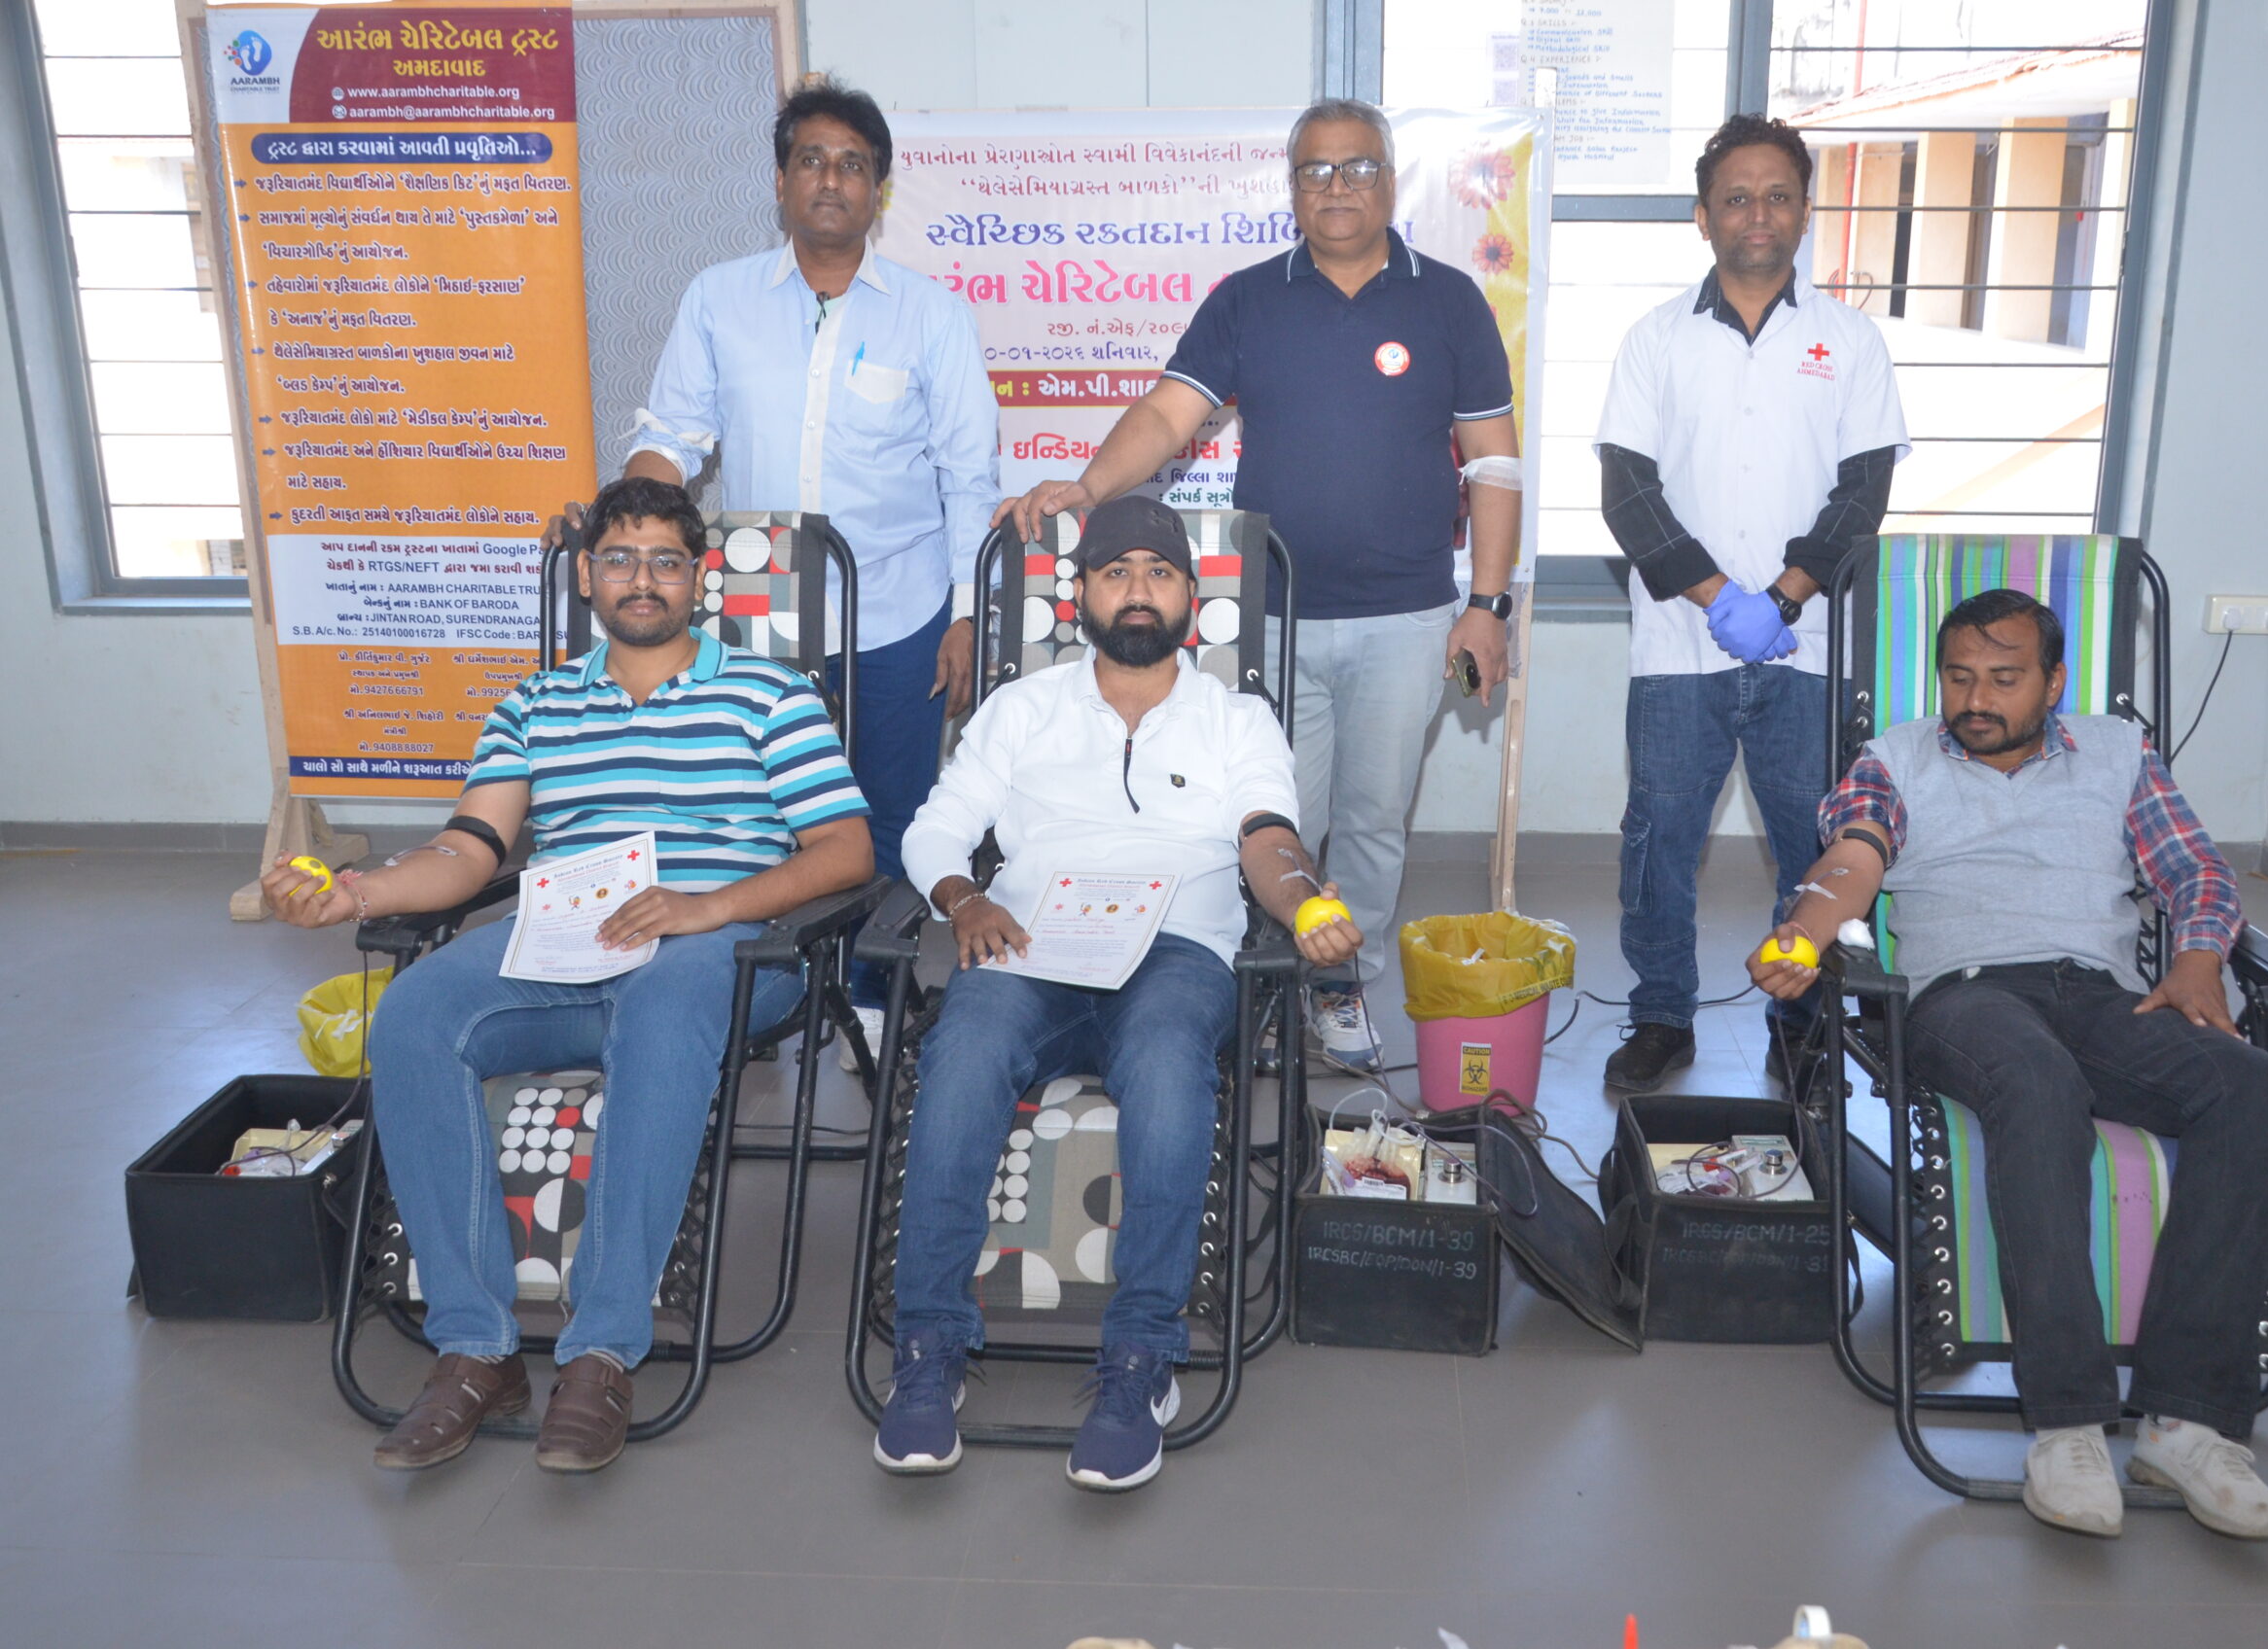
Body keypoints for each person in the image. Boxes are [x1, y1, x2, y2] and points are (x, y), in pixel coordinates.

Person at [266, 476, 873, 1475]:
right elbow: (467, 853)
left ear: (699, 580)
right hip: (564, 948)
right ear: (588, 576)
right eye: (621, 558)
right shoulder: (535, 705)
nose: (643, 579)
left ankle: (600, 1352)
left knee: (664, 1006)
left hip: (727, 953)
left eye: (666, 560)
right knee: (415, 1013)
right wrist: (355, 893)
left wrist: (708, 907)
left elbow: (846, 850)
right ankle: (476, 1349)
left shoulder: (770, 695)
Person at [1748, 588, 2268, 1542]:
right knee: (2039, 1084)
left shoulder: (2119, 754)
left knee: (2249, 1087)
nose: (1977, 698)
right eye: (1959, 676)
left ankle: (2184, 1422)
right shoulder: (1895, 759)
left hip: (2101, 993)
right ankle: (2068, 1423)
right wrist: (1804, 930)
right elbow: (1851, 856)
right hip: (1962, 997)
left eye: (2005, 678)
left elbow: (2194, 869)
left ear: (2053, 681)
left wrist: (2199, 957)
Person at [996, 98, 1520, 1072]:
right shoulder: (1246, 299)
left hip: (1408, 618)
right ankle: (1267, 980)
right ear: (1291, 187)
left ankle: (1337, 984)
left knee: (1373, 824)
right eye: (1315, 170)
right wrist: (1090, 485)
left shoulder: (1449, 301)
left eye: (1356, 168)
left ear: (1389, 180)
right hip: (1269, 620)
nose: (1336, 187)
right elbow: (1169, 414)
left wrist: (1487, 607)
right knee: (1273, 818)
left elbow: (1493, 463)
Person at [879, 494, 1359, 1491]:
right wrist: (963, 897)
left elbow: (1267, 838)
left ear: (1190, 595)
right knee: (962, 1048)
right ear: (1079, 595)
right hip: (1029, 940)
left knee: (1169, 1061)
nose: (1138, 590)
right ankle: (928, 1347)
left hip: (1176, 949)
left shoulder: (1236, 718)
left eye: (1159, 572)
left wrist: (1306, 903)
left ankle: (1140, 1357)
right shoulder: (1022, 709)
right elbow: (936, 828)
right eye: (1115, 572)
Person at [623, 76, 1000, 1049]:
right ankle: (761, 992)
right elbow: (672, 437)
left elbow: (969, 476)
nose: (831, 180)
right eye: (811, 160)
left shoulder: (931, 314)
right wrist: (626, 519)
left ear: (879, 188)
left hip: (903, 609)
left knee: (886, 814)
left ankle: (872, 998)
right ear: (782, 180)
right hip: (760, 606)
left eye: (853, 165)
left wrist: (967, 614)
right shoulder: (719, 298)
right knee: (758, 810)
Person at [1596, 114, 1908, 1097]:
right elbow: (1627, 493)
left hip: (1806, 646)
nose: (1758, 213)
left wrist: (1780, 597)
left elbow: (1862, 492)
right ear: (1703, 216)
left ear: (1806, 211)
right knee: (1658, 842)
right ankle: (1660, 1015)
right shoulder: (1655, 339)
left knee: (1813, 844)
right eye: (1736, 197)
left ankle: (1799, 1021)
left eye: (1778, 195)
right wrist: (1721, 597)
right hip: (1678, 645)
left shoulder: (1849, 339)